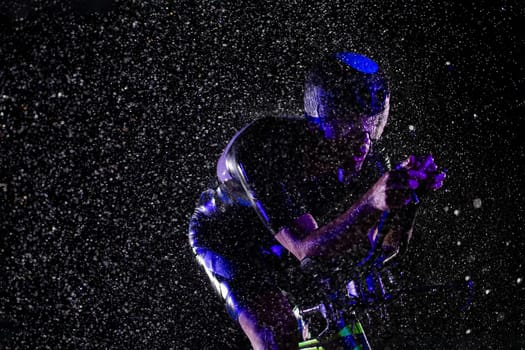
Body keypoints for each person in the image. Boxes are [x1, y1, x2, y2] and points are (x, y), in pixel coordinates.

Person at [188, 52, 445, 349]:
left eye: (370, 137)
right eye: (347, 138)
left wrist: (407, 203)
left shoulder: (369, 159)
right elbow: (307, 250)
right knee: (278, 334)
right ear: (320, 126)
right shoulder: (262, 148)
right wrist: (375, 202)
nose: (359, 152)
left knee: (344, 326)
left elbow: (383, 248)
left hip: (298, 234)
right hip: (231, 243)